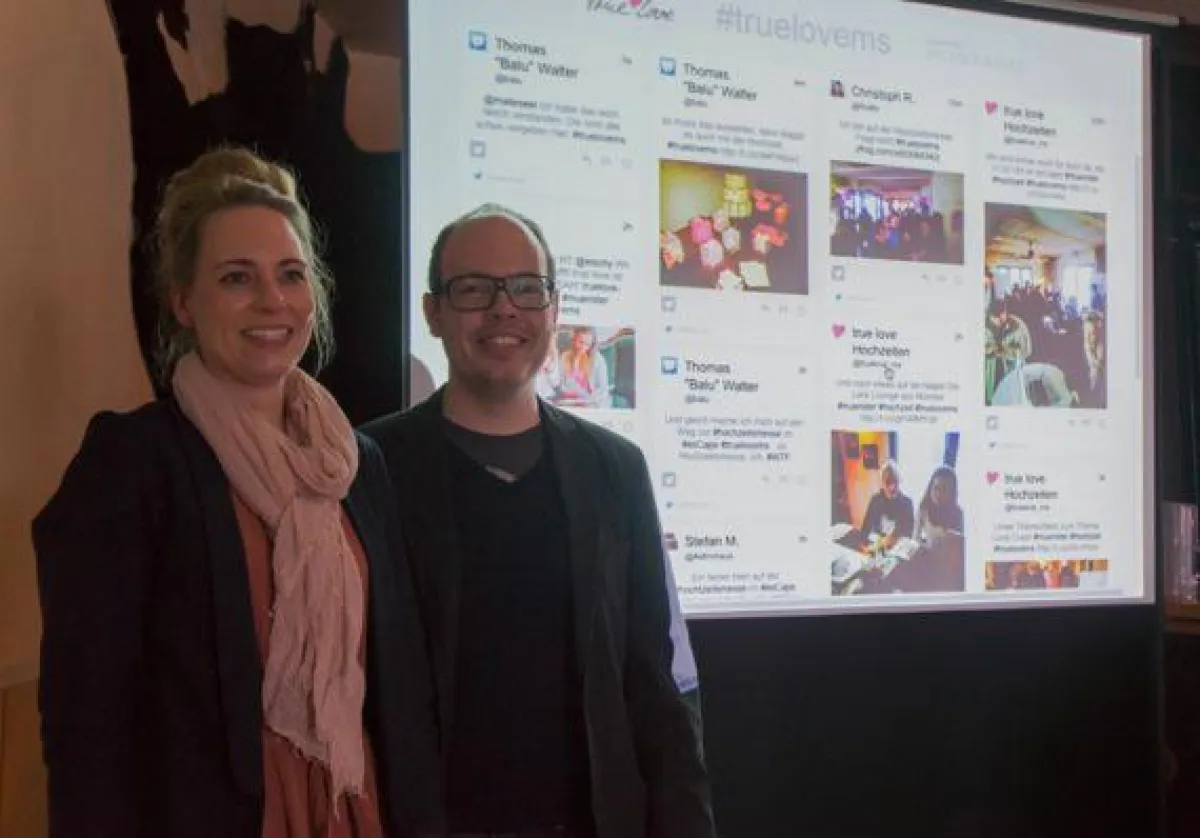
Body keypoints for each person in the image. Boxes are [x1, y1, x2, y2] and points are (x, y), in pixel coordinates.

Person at [32, 148, 440, 838]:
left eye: (290, 274)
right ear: (183, 301)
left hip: (354, 807)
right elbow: (87, 726)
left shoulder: (355, 465)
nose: (271, 301)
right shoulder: (132, 464)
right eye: (235, 278)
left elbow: (397, 692)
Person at [362, 203, 716, 838]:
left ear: (553, 310)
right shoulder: (371, 468)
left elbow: (656, 684)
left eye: (527, 288)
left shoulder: (615, 469)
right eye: (474, 288)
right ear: (433, 313)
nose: (504, 309)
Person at [860, 459, 915, 555]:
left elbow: (909, 535)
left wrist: (892, 542)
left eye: (895, 482)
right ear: (882, 482)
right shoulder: (875, 500)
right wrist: (864, 546)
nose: (892, 487)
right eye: (888, 482)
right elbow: (866, 527)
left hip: (898, 549)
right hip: (878, 547)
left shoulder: (907, 503)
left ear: (899, 481)